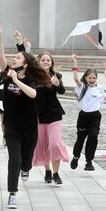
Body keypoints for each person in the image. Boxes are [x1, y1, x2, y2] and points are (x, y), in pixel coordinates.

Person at [0, 24, 51, 209]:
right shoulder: (8, 74)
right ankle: (12, 193)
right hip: (11, 126)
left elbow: (33, 94)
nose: (13, 59)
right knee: (14, 160)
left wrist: (17, 80)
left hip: (29, 126)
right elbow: (1, 56)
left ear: (25, 64)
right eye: (14, 57)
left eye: (17, 57)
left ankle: (26, 168)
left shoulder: (31, 78)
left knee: (26, 161)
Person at [32, 52, 69, 184]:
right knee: (42, 145)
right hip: (39, 115)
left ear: (51, 63)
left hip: (54, 114)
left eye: (48, 60)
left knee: (54, 144)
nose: (46, 62)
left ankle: (56, 173)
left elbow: (62, 91)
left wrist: (57, 83)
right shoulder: (33, 77)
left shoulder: (56, 76)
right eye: (43, 60)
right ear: (38, 62)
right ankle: (47, 170)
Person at [70, 55, 106, 172]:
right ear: (85, 78)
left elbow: (105, 97)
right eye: (90, 78)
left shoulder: (99, 88)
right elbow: (76, 79)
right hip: (84, 117)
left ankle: (89, 161)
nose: (92, 80)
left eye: (94, 78)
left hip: (95, 116)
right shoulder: (82, 87)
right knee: (81, 138)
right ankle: (76, 157)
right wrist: (75, 62)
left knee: (93, 137)